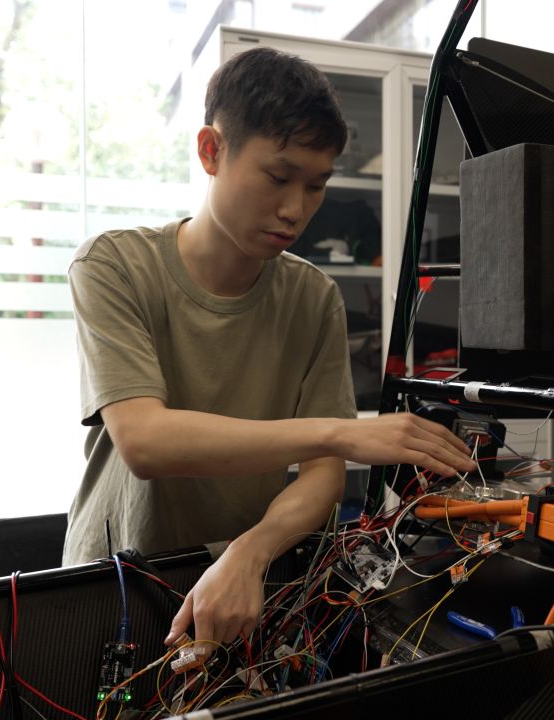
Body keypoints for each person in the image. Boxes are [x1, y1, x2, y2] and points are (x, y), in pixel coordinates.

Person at [62, 47, 476, 653]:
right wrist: (340, 433)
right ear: (211, 150)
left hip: (244, 581)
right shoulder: (113, 266)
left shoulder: (312, 298)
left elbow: (322, 479)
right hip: (116, 585)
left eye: (315, 186)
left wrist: (251, 551)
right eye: (278, 177)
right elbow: (145, 441)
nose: (295, 210)